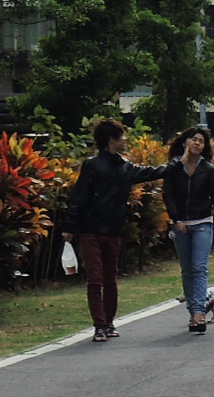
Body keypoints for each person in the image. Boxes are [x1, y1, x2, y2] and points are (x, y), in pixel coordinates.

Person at [61, 119, 168, 342]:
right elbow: (80, 197)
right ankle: (100, 325)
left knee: (110, 278)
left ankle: (108, 322)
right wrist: (70, 227)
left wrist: (177, 165)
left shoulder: (124, 165)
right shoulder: (93, 165)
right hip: (91, 229)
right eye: (122, 136)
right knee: (96, 277)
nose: (125, 140)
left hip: (112, 230)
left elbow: (149, 173)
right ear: (112, 139)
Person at [163, 126, 214, 334]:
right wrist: (176, 219)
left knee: (199, 267)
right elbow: (168, 195)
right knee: (187, 270)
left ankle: (198, 314)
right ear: (184, 143)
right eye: (194, 140)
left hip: (203, 223)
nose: (197, 143)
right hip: (181, 224)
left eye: (201, 141)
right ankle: (196, 310)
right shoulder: (173, 168)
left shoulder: (207, 169)